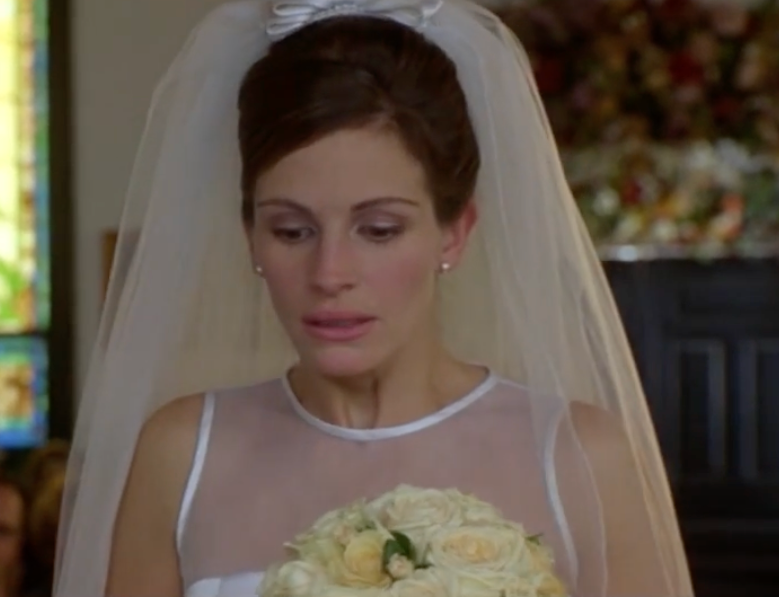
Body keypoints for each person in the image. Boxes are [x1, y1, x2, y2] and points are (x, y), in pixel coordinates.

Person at [53, 1, 693, 597]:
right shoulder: (178, 454)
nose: (330, 272)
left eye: (379, 230)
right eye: (291, 231)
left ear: (454, 230)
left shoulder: (582, 458)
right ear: (250, 234)